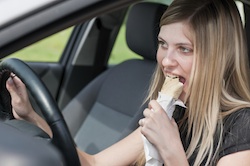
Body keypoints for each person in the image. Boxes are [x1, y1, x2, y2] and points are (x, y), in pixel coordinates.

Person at [5, 0, 250, 165]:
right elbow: (94, 163)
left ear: (218, 58)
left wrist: (171, 150)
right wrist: (33, 117)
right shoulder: (174, 112)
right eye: (163, 44)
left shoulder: (242, 128)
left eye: (184, 49)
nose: (166, 61)